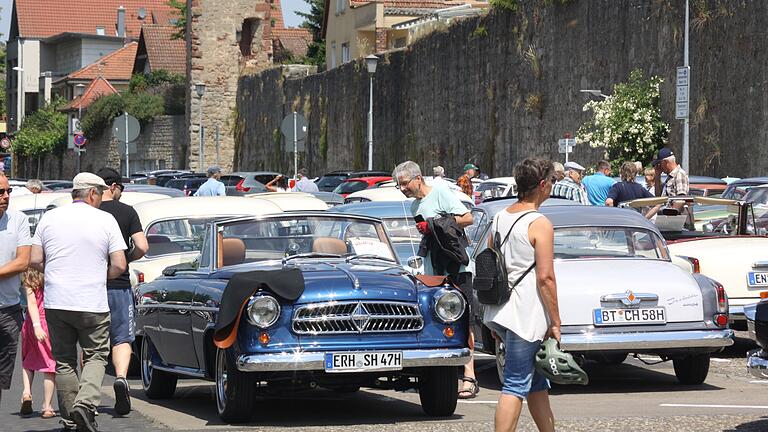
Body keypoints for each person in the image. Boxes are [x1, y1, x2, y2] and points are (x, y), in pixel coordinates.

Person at [30, 172, 127, 432]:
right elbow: (119, 264)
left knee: (64, 361)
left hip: (57, 300)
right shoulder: (106, 220)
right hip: (91, 301)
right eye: (101, 194)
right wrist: (98, 274)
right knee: (96, 355)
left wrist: (56, 272)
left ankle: (71, 419)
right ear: (92, 194)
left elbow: (36, 260)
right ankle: (84, 406)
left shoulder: (49, 218)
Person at [483, 158, 561, 432]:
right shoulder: (540, 223)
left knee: (537, 381)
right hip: (525, 315)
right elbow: (546, 278)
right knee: (515, 384)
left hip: (502, 311)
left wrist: (494, 318)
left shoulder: (500, 217)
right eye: (552, 181)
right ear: (541, 185)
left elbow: (490, 264)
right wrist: (555, 321)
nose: (553, 186)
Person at [392, 161, 479, 399]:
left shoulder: (440, 193)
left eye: (405, 183)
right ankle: (439, 376)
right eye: (398, 185)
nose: (402, 189)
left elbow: (467, 218)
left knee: (463, 321)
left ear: (418, 178)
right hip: (434, 269)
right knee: (438, 321)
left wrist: (434, 223)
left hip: (456, 266)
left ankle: (469, 376)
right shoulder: (414, 206)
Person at [96, 167, 148, 416]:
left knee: (90, 342)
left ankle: (90, 391)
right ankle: (120, 377)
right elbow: (142, 246)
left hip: (91, 285)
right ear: (113, 187)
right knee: (122, 338)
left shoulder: (90, 211)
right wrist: (126, 258)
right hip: (118, 286)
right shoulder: (127, 212)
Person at [0, 173, 32, 407]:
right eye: (0, 192)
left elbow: (23, 261)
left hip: (8, 310)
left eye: (8, 191)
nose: (5, 196)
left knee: (0, 378)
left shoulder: (17, 219)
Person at [20, 269, 56, 419]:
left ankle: (27, 392)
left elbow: (31, 302)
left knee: (27, 361)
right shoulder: (51, 274)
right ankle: (47, 406)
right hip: (48, 323)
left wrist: (35, 325)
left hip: (30, 323)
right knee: (50, 365)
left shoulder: (28, 276)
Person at [646, 148, 689, 217]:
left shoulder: (679, 174)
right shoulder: (670, 177)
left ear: (665, 162)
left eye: (659, 164)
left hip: (676, 220)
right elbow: (658, 196)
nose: (659, 167)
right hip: (667, 218)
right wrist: (657, 176)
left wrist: (669, 215)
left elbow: (681, 199)